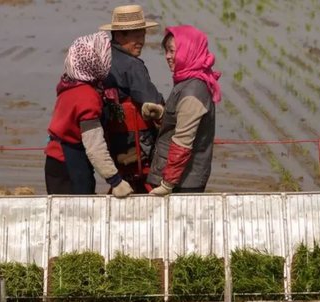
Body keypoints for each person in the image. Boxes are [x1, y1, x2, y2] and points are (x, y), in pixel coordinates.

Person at [44, 31, 133, 198]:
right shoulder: (88, 98)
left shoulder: (68, 85)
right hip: (69, 166)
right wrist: (115, 181)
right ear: (96, 61)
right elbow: (94, 146)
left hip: (55, 162)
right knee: (78, 216)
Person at [147, 25, 221, 195]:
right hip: (179, 177)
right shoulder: (186, 80)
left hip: (184, 182)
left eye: (172, 51)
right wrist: (161, 114)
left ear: (188, 51)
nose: (168, 56)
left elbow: (183, 142)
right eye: (166, 51)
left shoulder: (193, 91)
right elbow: (181, 119)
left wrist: (167, 184)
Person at [99, 4, 165, 192]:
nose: (141, 41)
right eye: (135, 36)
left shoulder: (102, 60)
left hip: (111, 142)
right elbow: (151, 100)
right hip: (136, 144)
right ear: (119, 36)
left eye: (142, 35)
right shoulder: (133, 66)